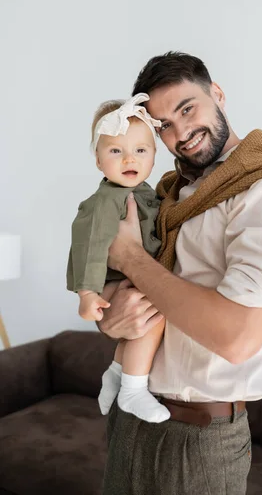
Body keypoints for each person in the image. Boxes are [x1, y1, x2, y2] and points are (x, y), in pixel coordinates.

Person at [98, 52, 262, 495]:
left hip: (198, 440)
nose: (180, 133)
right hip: (131, 417)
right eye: (163, 124)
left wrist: (131, 260)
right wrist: (111, 315)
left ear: (216, 93)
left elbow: (237, 338)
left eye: (187, 109)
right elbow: (119, 305)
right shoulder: (169, 196)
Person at [66, 94, 171, 423]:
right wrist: (87, 293)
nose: (130, 159)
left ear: (155, 155)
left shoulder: (149, 194)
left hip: (134, 277)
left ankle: (115, 372)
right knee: (154, 319)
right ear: (98, 161)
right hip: (112, 282)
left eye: (141, 150)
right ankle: (133, 390)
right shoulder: (105, 201)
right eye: (116, 151)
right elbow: (91, 244)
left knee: (146, 322)